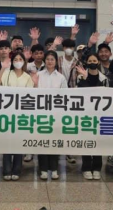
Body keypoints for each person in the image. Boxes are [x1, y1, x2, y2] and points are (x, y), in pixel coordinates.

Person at [0, 52, 32, 180]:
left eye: (20, 59)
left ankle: (17, 169)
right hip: (7, 113)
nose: (18, 61)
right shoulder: (7, 73)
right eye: (15, 59)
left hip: (22, 114)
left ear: (24, 61)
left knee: (18, 143)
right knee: (7, 143)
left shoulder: (27, 77)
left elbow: (31, 95)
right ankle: (6, 170)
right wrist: (3, 69)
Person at [32, 51, 68, 180]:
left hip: (56, 114)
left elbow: (66, 96)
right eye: (47, 59)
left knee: (54, 142)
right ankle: (43, 169)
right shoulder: (38, 75)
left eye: (52, 59)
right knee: (42, 142)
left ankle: (54, 168)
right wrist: (35, 83)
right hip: (41, 113)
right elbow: (32, 93)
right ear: (44, 61)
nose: (50, 61)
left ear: (56, 61)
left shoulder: (61, 77)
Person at [75, 53, 108, 180]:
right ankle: (86, 167)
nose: (92, 62)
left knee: (98, 142)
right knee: (86, 141)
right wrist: (84, 78)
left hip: (100, 114)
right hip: (85, 114)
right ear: (86, 62)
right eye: (90, 60)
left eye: (94, 60)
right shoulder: (80, 77)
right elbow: (81, 93)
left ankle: (97, 168)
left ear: (98, 62)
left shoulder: (104, 78)